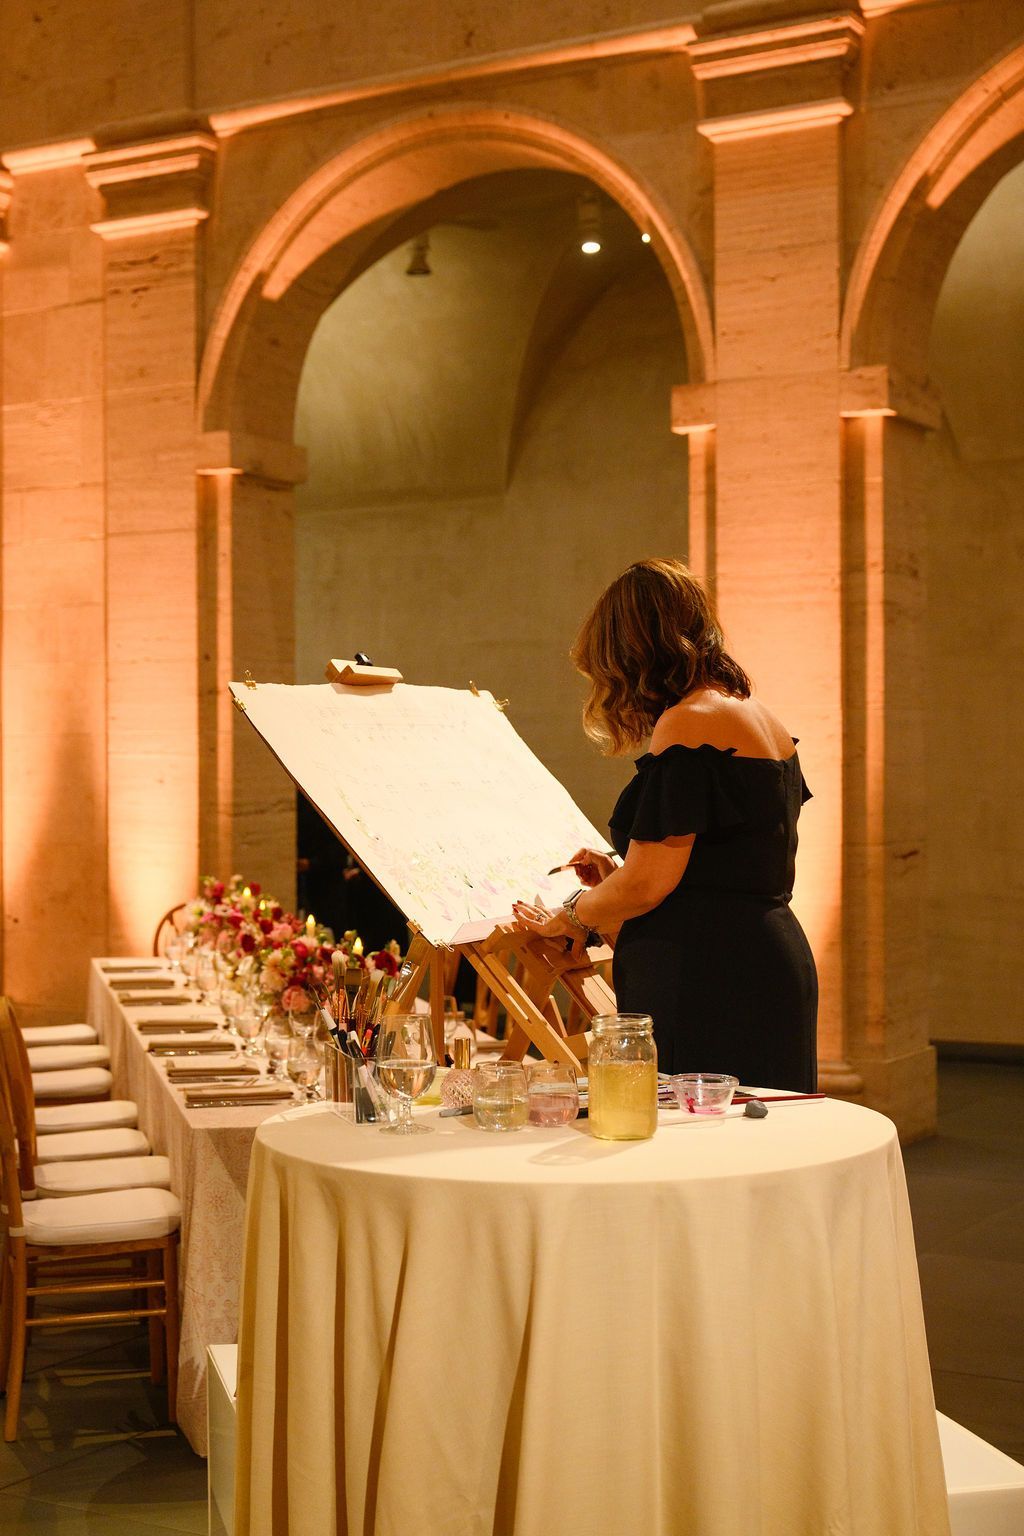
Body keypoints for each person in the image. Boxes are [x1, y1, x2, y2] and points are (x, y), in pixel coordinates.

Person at [513, 557, 818, 1091]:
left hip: (708, 973)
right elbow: (720, 866)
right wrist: (616, 878)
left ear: (633, 652)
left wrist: (573, 915)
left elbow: (650, 885)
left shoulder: (690, 722)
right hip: (762, 960)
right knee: (756, 1129)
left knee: (700, 1133)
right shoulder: (755, 714)